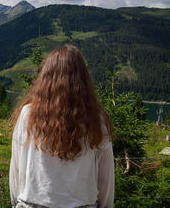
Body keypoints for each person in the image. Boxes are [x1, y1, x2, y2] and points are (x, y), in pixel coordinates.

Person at [9, 44, 114, 208]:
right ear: (83, 79)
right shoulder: (96, 119)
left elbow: (16, 169)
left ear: (45, 77)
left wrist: (16, 200)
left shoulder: (27, 115)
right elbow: (105, 178)